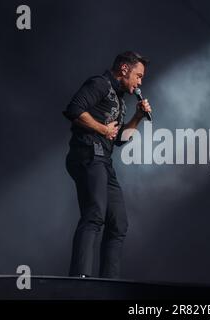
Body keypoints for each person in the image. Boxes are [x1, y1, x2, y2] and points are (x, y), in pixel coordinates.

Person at [62, 51, 151, 278]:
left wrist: (137, 117)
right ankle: (79, 279)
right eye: (138, 76)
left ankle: (109, 284)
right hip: (87, 153)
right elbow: (74, 110)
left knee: (119, 223)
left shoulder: (120, 100)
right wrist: (102, 129)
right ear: (124, 69)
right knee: (94, 215)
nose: (140, 82)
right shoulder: (99, 84)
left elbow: (119, 140)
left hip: (104, 160)